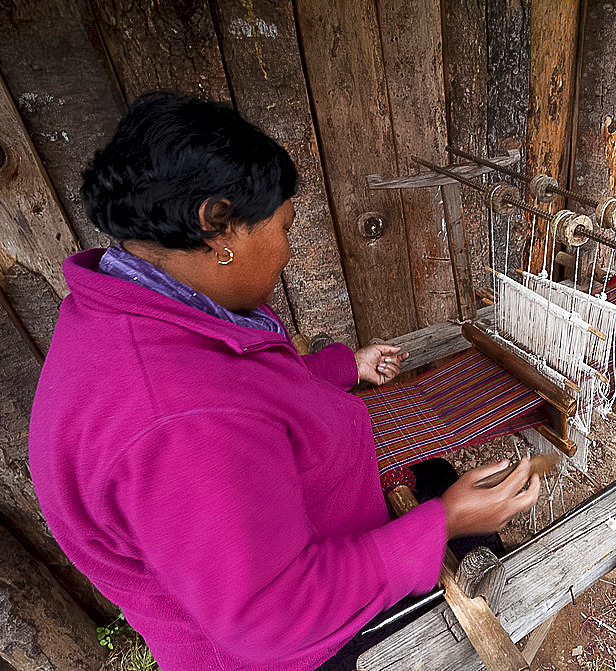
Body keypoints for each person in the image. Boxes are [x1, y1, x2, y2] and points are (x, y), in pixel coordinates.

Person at [29, 91, 541, 671]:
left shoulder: (143, 305)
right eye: (284, 227)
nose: (289, 252)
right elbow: (276, 616)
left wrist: (343, 368)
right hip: (298, 645)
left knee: (436, 474)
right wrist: (443, 522)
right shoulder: (175, 425)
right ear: (217, 225)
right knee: (478, 547)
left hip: (275, 557)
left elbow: (246, 384)